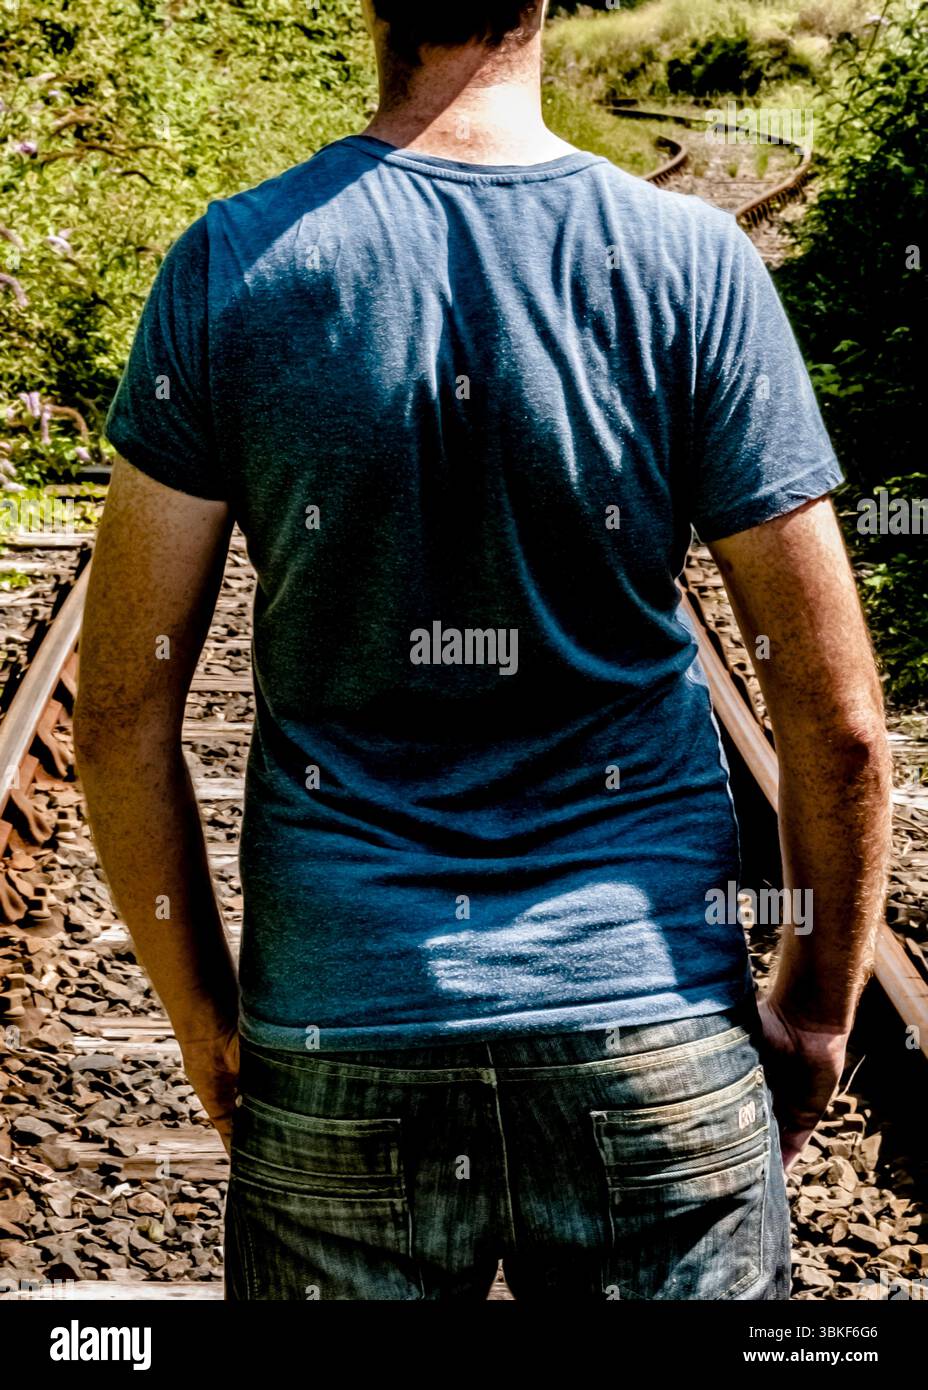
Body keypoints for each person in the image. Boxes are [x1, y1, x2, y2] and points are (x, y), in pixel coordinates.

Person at [74, 0, 892, 1300]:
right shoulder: (695, 265)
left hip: (346, 1020)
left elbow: (118, 709)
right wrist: (819, 1004)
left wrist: (205, 1011)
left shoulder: (232, 268)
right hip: (651, 1016)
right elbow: (838, 714)